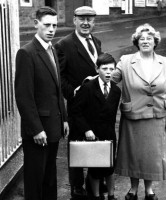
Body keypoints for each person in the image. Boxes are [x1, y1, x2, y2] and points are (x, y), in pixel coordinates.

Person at [112, 23, 166, 200]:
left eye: (149, 38)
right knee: (134, 154)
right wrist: (93, 77)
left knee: (151, 156)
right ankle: (133, 189)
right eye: (142, 39)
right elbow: (110, 77)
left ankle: (149, 190)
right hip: (133, 116)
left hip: (157, 116)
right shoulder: (126, 61)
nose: (146, 41)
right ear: (136, 42)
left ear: (155, 42)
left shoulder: (165, 62)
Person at [15, 6, 69, 200]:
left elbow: (57, 89)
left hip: (53, 127)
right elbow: (24, 97)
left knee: (49, 179)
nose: (52, 30)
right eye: (47, 25)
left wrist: (64, 118)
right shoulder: (26, 53)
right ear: (36, 24)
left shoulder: (51, 49)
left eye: (54, 25)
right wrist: (36, 129)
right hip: (38, 132)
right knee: (35, 180)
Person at [54, 6, 103, 199]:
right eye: (82, 19)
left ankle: (93, 182)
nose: (86, 23)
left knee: (94, 143)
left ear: (94, 22)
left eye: (90, 19)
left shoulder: (97, 41)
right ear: (74, 20)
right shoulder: (64, 44)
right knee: (76, 144)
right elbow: (60, 76)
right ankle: (76, 185)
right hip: (76, 105)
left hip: (96, 104)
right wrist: (72, 92)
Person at [71, 53, 121, 200]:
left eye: (111, 69)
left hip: (109, 135)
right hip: (93, 135)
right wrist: (87, 129)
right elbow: (76, 111)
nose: (108, 72)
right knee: (95, 168)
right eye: (104, 69)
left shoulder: (116, 90)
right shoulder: (87, 88)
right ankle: (97, 196)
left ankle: (111, 196)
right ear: (97, 69)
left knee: (110, 167)